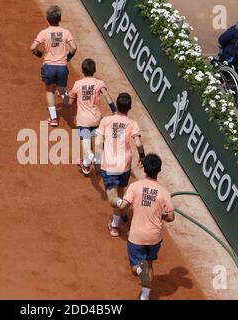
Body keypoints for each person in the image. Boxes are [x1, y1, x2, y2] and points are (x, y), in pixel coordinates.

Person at [116, 154, 175, 300]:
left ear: (144, 168)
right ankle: (145, 296)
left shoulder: (135, 187)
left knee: (136, 268)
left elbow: (123, 207)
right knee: (149, 264)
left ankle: (139, 270)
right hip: (155, 238)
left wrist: (116, 202)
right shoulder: (165, 193)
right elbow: (171, 217)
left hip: (137, 236)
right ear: (159, 170)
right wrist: (159, 215)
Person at [95, 93, 144, 237]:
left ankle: (129, 208)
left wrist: (97, 160)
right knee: (121, 192)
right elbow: (138, 143)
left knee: (113, 199)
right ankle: (115, 224)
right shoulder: (132, 123)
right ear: (130, 108)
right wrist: (142, 156)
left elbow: (98, 143)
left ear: (117, 104)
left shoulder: (106, 120)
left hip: (109, 165)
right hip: (125, 165)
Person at [67, 58, 117, 175]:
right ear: (94, 70)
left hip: (83, 121)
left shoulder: (78, 84)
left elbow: (69, 103)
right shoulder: (100, 83)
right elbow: (107, 96)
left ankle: (94, 160)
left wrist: (66, 98)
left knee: (86, 146)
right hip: (96, 119)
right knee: (97, 142)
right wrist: (114, 111)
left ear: (82, 70)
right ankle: (86, 165)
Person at [30, 5, 77, 127]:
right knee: (60, 88)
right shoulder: (66, 32)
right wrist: (68, 58)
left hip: (49, 67)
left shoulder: (44, 33)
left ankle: (54, 118)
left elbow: (33, 48)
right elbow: (74, 48)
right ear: (59, 19)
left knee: (50, 91)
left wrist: (40, 54)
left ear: (47, 18)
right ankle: (67, 98)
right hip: (62, 67)